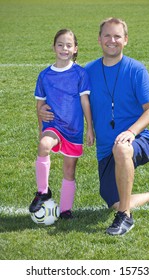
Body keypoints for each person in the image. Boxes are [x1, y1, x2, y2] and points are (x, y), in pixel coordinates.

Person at [39, 18, 149, 235]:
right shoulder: (87, 72)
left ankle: (126, 217)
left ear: (125, 40)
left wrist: (131, 132)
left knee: (122, 149)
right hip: (105, 150)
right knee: (115, 202)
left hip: (136, 140)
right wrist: (45, 109)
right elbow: (67, 96)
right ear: (99, 40)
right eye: (107, 36)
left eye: (117, 36)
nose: (112, 40)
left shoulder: (136, 69)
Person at [29, 29, 94, 219]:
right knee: (43, 146)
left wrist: (90, 128)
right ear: (53, 47)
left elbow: (84, 102)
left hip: (73, 128)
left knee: (69, 170)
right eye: (60, 44)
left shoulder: (80, 74)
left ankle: (66, 210)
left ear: (75, 49)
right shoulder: (45, 75)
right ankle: (43, 192)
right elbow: (40, 103)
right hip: (53, 125)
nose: (64, 48)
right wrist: (42, 128)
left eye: (68, 45)